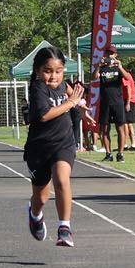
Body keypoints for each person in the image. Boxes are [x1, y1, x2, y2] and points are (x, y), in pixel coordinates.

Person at [24, 45, 94, 248]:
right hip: (39, 149)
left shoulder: (65, 85)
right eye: (48, 71)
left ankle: (64, 228)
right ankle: (35, 215)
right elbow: (45, 115)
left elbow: (76, 96)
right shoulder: (38, 89)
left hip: (63, 144)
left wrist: (81, 109)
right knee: (41, 197)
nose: (54, 76)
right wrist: (72, 103)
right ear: (37, 71)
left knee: (62, 180)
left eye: (58, 71)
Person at [91, 45, 128, 162]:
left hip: (118, 102)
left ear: (115, 55)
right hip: (105, 103)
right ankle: (108, 153)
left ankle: (120, 153)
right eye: (108, 54)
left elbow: (127, 77)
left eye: (112, 54)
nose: (109, 56)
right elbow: (93, 78)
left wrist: (120, 66)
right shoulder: (102, 69)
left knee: (120, 128)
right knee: (105, 129)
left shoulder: (118, 69)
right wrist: (99, 65)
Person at [122, 68, 135, 151]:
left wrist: (128, 103)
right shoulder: (128, 76)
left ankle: (127, 144)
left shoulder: (125, 76)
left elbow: (128, 88)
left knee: (126, 123)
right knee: (128, 123)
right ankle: (131, 144)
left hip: (130, 100)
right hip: (130, 100)